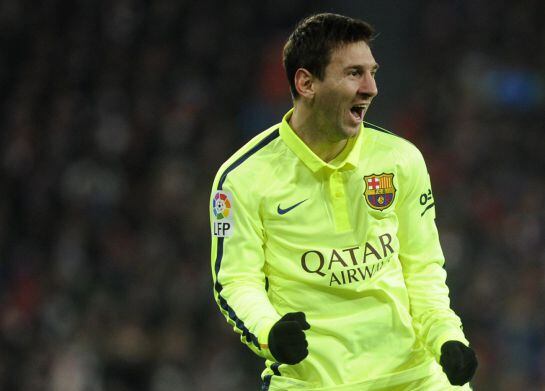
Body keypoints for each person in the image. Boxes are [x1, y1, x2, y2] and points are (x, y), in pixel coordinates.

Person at [209, 13, 477, 391]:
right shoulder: (242, 178)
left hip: (416, 375)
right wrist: (270, 332)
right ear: (306, 83)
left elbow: (423, 269)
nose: (371, 88)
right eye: (354, 73)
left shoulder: (400, 159)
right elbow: (236, 281)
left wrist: (447, 337)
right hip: (312, 382)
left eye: (373, 72)